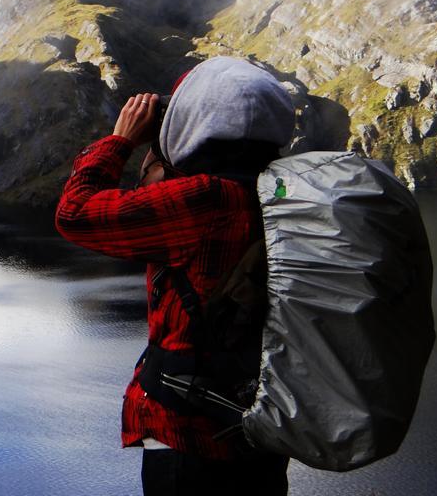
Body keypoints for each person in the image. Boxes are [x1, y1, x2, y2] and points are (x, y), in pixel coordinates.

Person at [55, 57, 295, 496]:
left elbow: (75, 213)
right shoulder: (285, 193)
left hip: (188, 435)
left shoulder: (203, 199)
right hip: (265, 424)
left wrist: (121, 140)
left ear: (199, 119)